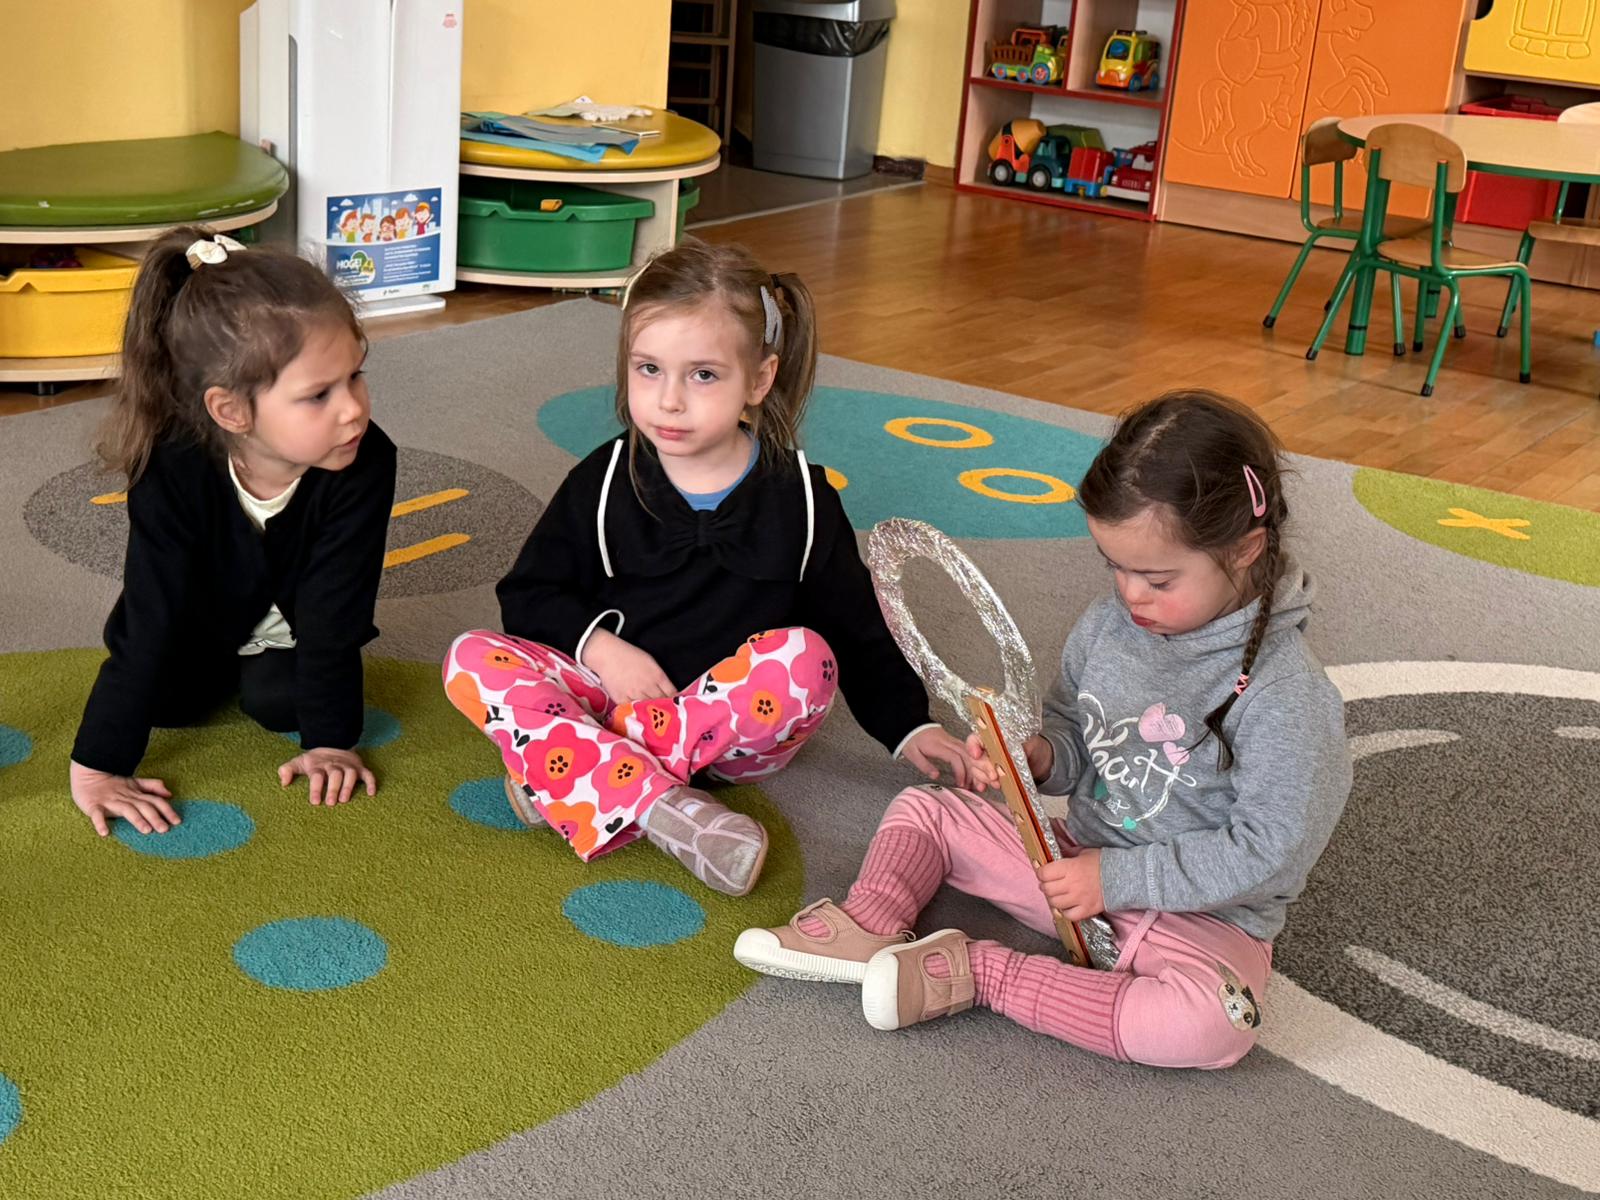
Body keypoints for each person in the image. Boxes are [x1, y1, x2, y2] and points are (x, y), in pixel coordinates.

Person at [735, 391, 1351, 1069]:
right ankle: (869, 923)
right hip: (1071, 866)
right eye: (1114, 566)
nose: (1129, 594)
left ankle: (984, 974)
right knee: (926, 810)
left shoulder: (1289, 697)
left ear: (1244, 551)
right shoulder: (1110, 625)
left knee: (1209, 1028)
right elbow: (1074, 732)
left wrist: (1114, 879)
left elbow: (1267, 853)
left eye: (1156, 578)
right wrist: (1038, 756)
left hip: (1203, 919)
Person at [442, 240, 975, 896]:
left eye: (702, 375)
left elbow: (857, 628)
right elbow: (529, 594)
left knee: (808, 659)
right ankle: (667, 806)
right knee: (470, 657)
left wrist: (910, 724)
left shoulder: (804, 500)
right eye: (648, 369)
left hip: (730, 738)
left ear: (759, 380)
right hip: (608, 691)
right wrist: (602, 650)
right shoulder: (601, 480)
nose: (668, 401)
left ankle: (580, 769)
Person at [69, 228, 397, 838]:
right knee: (165, 700)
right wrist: (98, 766)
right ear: (231, 411)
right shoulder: (170, 467)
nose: (354, 408)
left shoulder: (365, 460)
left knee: (283, 704)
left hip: (287, 634)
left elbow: (336, 609)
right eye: (318, 395)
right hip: (193, 627)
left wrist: (330, 743)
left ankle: (263, 679)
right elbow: (151, 613)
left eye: (355, 376)